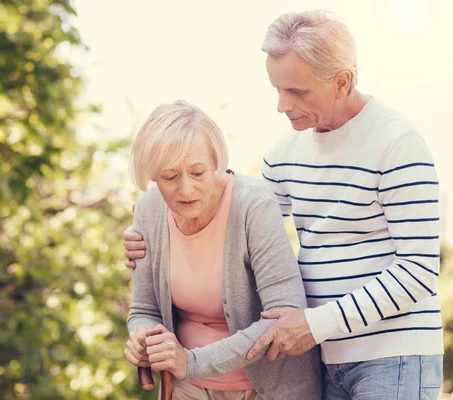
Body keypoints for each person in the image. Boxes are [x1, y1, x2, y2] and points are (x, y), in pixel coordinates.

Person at [125, 10, 444, 400]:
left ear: (341, 82)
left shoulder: (397, 142)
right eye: (277, 89)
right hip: (324, 356)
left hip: (393, 356)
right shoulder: (284, 153)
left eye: (296, 91)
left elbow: (419, 270)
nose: (280, 104)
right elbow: (231, 222)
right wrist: (148, 238)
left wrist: (316, 323)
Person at [124, 100, 321, 399]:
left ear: (216, 162)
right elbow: (143, 310)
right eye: (170, 177)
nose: (186, 190)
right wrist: (144, 337)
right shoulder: (149, 210)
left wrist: (192, 362)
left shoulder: (253, 205)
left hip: (264, 389)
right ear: (152, 174)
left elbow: (284, 316)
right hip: (189, 388)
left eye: (198, 173)